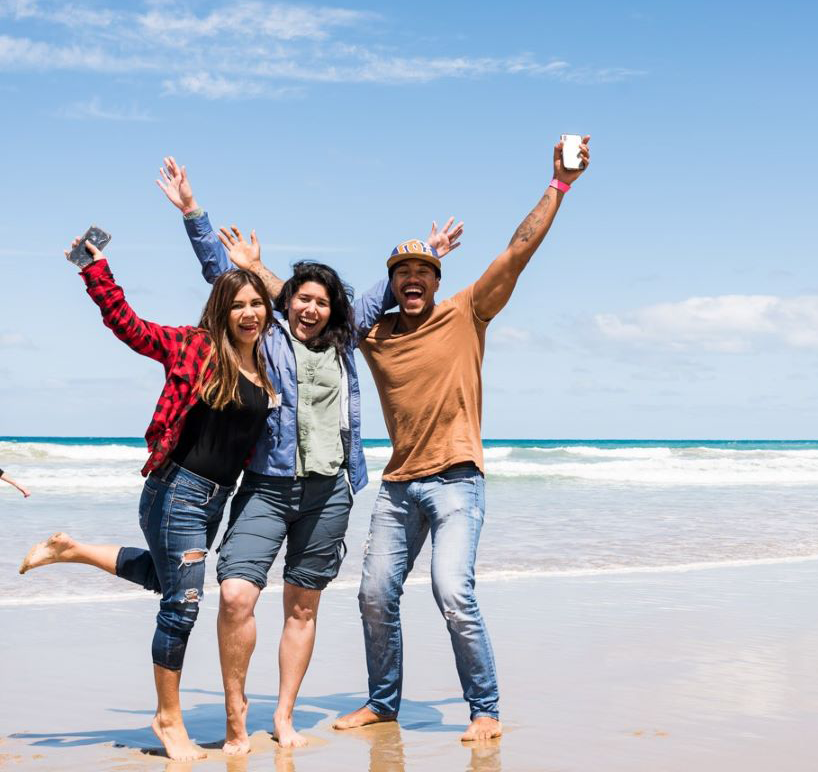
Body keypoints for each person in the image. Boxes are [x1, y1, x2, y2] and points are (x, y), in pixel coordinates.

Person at [155, 158, 461, 752]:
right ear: (287, 303)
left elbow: (390, 286)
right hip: (267, 489)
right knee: (238, 595)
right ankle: (237, 715)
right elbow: (223, 277)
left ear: (332, 309)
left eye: (321, 301)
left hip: (329, 493)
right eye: (301, 300)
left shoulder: (346, 340)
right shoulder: (265, 337)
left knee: (302, 607)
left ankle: (285, 716)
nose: (311, 309)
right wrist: (194, 213)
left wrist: (432, 251)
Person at [333, 136, 591, 742]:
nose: (414, 279)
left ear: (437, 279)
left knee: (453, 594)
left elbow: (517, 251)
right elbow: (306, 308)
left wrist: (558, 185)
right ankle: (383, 702)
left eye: (424, 271)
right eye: (403, 273)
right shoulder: (373, 336)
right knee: (374, 595)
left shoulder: (467, 312)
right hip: (398, 488)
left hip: (456, 482)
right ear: (392, 283)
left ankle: (485, 711)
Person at [20, 235, 275, 762]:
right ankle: (168, 719)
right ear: (221, 311)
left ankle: (70, 549)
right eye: (237, 305)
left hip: (214, 500)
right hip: (176, 490)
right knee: (182, 607)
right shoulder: (195, 346)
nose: (248, 313)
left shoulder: (266, 365)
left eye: (256, 304)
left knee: (168, 582)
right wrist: (96, 269)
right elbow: (128, 326)